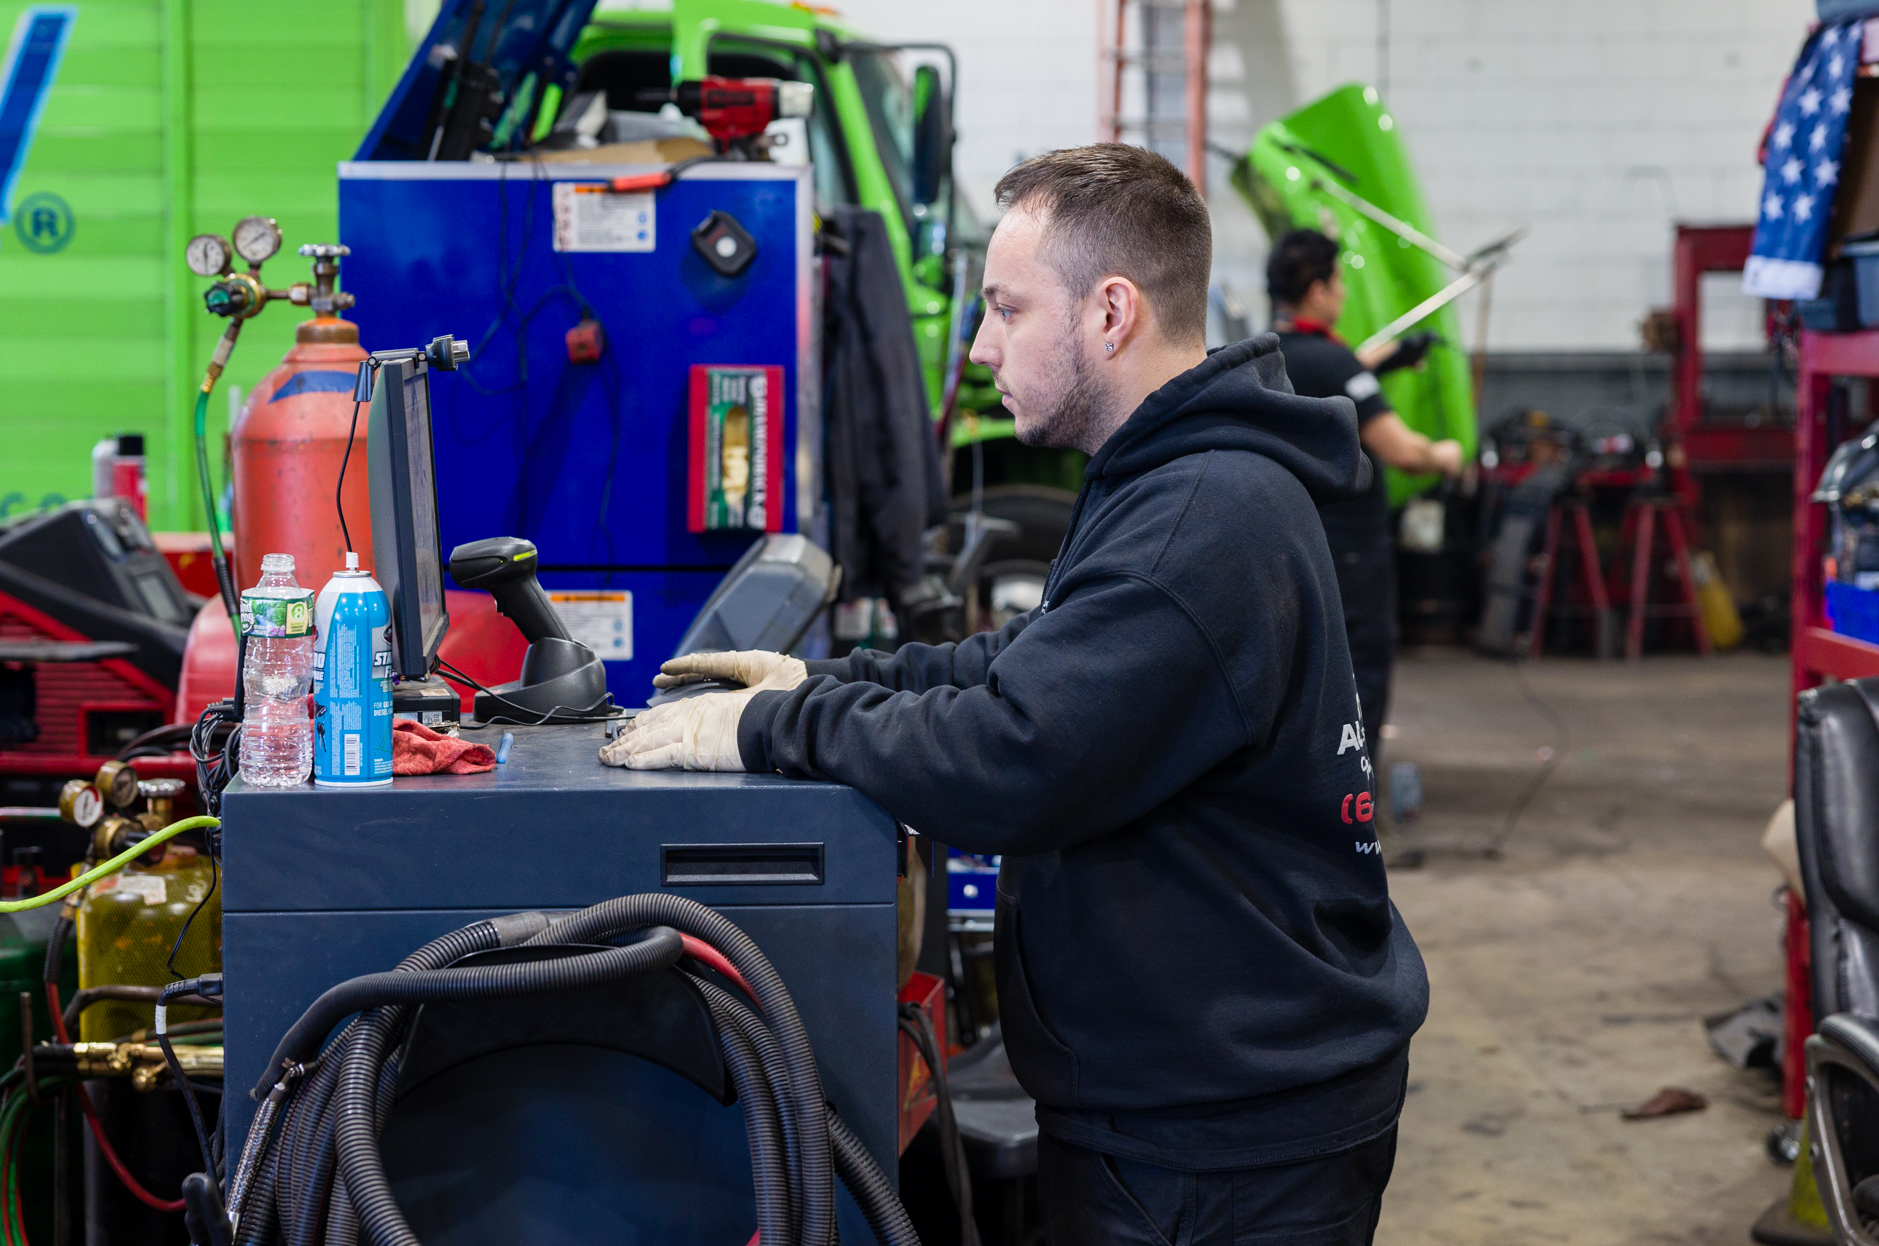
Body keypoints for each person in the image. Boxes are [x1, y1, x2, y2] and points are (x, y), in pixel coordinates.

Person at [602, 144, 1428, 1245]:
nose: (982, 345)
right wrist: (831, 678)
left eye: (1007, 308)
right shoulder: (1181, 480)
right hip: (1206, 1092)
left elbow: (1014, 754)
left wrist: (768, 727)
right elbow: (1035, 660)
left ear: (1110, 313)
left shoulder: (1194, 521)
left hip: (1216, 1137)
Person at [1267, 228, 1463, 769]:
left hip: (1287, 547)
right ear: (1316, 291)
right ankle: (1355, 802)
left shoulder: (1265, 356)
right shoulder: (1337, 366)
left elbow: (1337, 373)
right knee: (1362, 671)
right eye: (1338, 283)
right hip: (1350, 554)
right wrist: (1446, 453)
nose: (1345, 294)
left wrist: (1385, 362)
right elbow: (1400, 450)